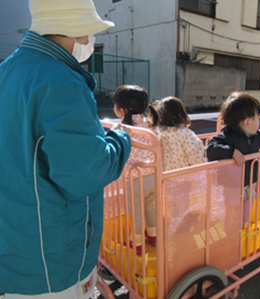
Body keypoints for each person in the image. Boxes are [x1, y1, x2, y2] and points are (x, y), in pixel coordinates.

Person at [0, 0, 132, 298]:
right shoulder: (62, 82)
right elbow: (87, 171)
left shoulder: (8, 69)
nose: (90, 40)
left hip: (14, 244)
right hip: (52, 258)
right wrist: (122, 140)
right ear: (78, 32)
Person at [206, 91, 260, 227]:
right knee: (230, 209)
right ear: (247, 122)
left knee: (246, 209)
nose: (259, 122)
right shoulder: (226, 136)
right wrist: (232, 152)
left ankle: (242, 226)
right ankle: (228, 231)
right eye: (258, 118)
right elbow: (211, 149)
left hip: (250, 181)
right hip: (231, 184)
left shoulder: (256, 135)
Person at [113, 85, 159, 255]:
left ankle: (137, 244)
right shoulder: (150, 123)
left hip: (135, 179)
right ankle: (153, 236)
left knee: (136, 213)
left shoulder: (121, 129)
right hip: (152, 174)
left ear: (122, 110)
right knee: (150, 207)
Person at [153, 96, 206, 171]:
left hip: (166, 178)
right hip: (185, 178)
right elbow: (196, 159)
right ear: (181, 113)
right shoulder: (185, 134)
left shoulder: (157, 132)